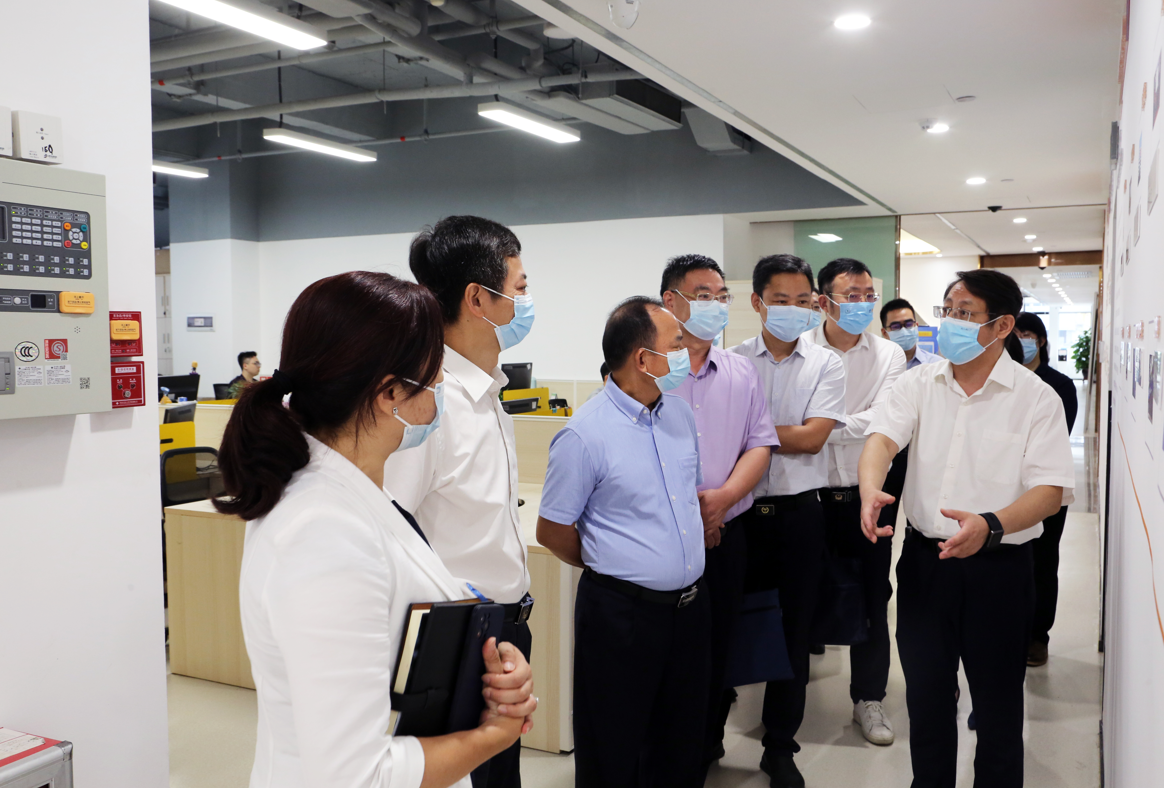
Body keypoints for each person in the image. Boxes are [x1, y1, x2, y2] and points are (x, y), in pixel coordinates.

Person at [215, 271, 537, 788]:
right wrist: (494, 735)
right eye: (435, 372)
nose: (442, 386)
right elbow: (355, 776)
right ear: (390, 393)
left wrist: (487, 661)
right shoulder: (323, 533)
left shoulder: (356, 493)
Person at [858, 269, 1075, 788]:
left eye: (965, 313)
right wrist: (870, 488)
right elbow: (881, 440)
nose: (950, 322)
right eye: (948, 311)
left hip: (999, 569)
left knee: (998, 709)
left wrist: (991, 525)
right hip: (925, 565)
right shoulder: (918, 382)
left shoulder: (1036, 397)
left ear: (1002, 326)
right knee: (927, 700)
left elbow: (1050, 491)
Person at [384, 216, 534, 788]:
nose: (526, 302)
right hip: (461, 636)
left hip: (505, 629)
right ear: (478, 298)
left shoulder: (487, 390)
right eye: (519, 288)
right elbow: (391, 528)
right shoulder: (431, 401)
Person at [537, 297, 709, 788]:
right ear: (642, 358)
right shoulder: (584, 434)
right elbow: (552, 530)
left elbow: (684, 497)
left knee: (681, 744)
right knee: (611, 747)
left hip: (690, 610)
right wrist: (612, 566)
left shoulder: (679, 414)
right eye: (677, 344)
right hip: (622, 616)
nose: (687, 352)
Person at [659, 254, 780, 776]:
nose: (716, 305)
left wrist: (723, 499)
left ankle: (706, 746)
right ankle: (664, 753)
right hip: (664, 536)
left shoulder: (741, 371)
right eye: (703, 295)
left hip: (729, 531)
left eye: (721, 296)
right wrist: (692, 510)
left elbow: (760, 444)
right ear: (671, 301)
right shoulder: (649, 369)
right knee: (669, 651)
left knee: (718, 645)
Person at [730, 254, 846, 788]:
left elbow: (814, 438)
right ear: (758, 302)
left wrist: (748, 433)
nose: (793, 309)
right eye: (781, 300)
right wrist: (779, 433)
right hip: (738, 513)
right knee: (727, 622)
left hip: (800, 515)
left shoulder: (827, 364)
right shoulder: (730, 362)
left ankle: (780, 747)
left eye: (803, 301)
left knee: (794, 632)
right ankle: (709, 733)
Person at [810, 258, 906, 746]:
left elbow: (884, 421)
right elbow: (781, 419)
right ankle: (785, 698)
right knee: (800, 595)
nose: (863, 304)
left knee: (872, 596)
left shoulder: (889, 355)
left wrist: (815, 427)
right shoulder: (800, 349)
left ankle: (869, 698)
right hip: (806, 496)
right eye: (852, 296)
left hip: (866, 497)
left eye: (869, 295)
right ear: (823, 301)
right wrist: (848, 423)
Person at [1015, 311, 1078, 667]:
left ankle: (1038, 636)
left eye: (1027, 334)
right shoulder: (1003, 381)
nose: (1021, 340)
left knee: (1042, 560)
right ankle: (1011, 631)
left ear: (1040, 341)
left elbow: (1056, 438)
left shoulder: (1059, 385)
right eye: (1016, 334)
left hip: (1046, 485)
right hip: (1007, 487)